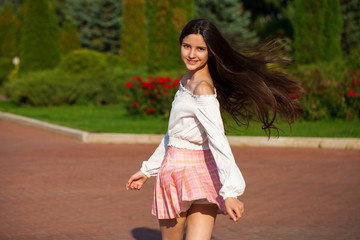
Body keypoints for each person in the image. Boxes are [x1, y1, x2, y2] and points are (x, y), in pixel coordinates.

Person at [126, 18, 302, 240]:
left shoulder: (203, 89)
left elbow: (218, 141)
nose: (192, 54)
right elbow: (174, 135)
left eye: (201, 49)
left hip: (198, 173)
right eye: (187, 46)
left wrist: (231, 192)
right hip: (182, 172)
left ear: (211, 52)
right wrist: (147, 170)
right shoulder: (186, 81)